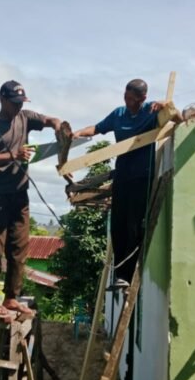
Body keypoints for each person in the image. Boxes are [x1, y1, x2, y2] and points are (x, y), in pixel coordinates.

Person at [72, 78, 170, 288]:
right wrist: (79, 133)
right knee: (117, 226)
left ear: (142, 98)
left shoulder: (151, 111)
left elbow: (177, 118)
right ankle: (119, 274)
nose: (128, 102)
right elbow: (97, 128)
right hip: (123, 175)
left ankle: (126, 275)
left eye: (132, 99)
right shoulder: (118, 114)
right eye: (125, 97)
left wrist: (166, 105)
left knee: (133, 224)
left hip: (142, 177)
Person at [0, 80, 61, 316]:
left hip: (19, 194)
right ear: (2, 100)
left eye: (21, 103)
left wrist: (58, 126)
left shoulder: (25, 117)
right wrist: (13, 155)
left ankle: (11, 297)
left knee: (19, 247)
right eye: (14, 103)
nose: (18, 108)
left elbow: (49, 119)